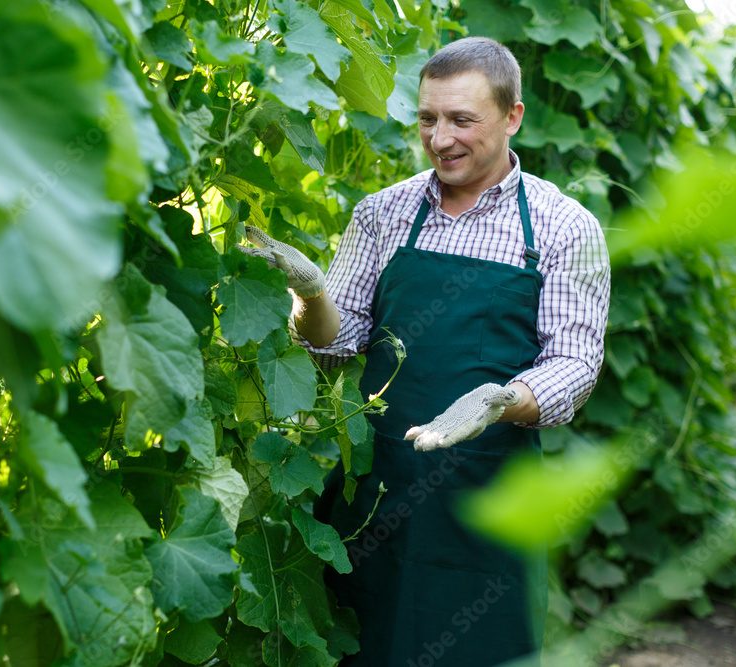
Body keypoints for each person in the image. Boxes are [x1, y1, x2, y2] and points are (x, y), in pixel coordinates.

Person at [242, 37, 610, 666]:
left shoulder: (563, 226)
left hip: (491, 503)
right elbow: (335, 342)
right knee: (363, 643)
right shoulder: (383, 213)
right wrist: (310, 294)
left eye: (462, 120)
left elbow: (574, 363)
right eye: (427, 119)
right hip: (375, 495)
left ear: (513, 116)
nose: (440, 139)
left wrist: (499, 400)